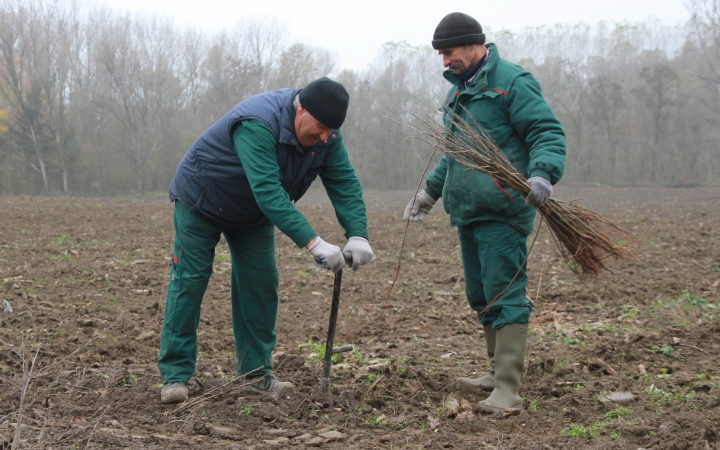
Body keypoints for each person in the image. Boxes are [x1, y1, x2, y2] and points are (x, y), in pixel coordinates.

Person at [158, 77, 374, 404]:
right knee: (190, 280)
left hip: (251, 213)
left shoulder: (327, 136)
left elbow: (344, 183)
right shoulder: (258, 123)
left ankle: (256, 375)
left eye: (331, 130)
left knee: (260, 282)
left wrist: (357, 233)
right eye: (319, 127)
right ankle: (175, 375)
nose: (324, 136)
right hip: (201, 199)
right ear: (300, 107)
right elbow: (269, 192)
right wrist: (314, 243)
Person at [403, 12, 566, 413]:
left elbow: (547, 132)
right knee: (480, 293)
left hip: (503, 207)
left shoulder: (512, 83)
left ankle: (508, 390)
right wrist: (431, 192)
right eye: (440, 55)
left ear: (476, 45)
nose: (444, 61)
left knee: (504, 291)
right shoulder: (458, 92)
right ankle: (496, 372)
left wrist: (542, 174)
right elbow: (456, 153)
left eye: (450, 52)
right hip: (469, 210)